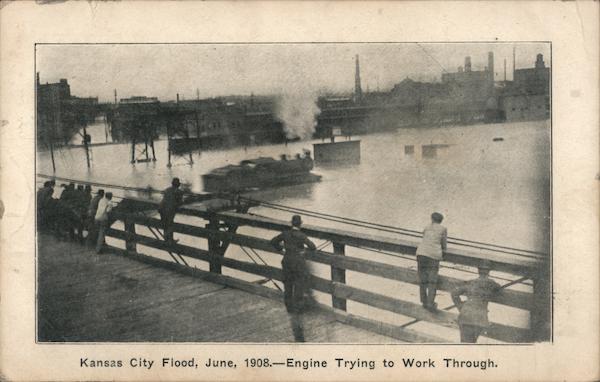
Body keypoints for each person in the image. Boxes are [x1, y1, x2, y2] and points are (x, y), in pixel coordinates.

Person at [270, 215, 316, 342]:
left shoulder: (285, 233)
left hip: (286, 262)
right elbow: (313, 247)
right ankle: (297, 309)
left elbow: (273, 241)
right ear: (300, 224)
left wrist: (281, 249)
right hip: (298, 264)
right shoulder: (301, 236)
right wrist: (303, 251)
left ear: (291, 223)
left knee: (288, 285)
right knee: (299, 285)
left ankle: (289, 308)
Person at [451, 260, 501, 343]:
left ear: (478, 271)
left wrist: (460, 307)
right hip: (480, 318)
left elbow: (454, 293)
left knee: (465, 343)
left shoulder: (471, 282)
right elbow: (499, 289)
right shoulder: (491, 283)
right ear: (488, 272)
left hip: (466, 315)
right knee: (472, 343)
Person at [416, 212, 447, 311]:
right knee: (432, 281)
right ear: (441, 220)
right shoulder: (443, 229)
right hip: (433, 256)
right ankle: (430, 303)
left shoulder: (426, 227)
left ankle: (424, 301)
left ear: (432, 219)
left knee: (423, 279)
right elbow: (444, 244)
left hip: (421, 254)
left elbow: (425, 238)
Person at [158, 178, 183, 243]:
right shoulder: (179, 191)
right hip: (169, 210)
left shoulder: (167, 189)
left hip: (162, 208)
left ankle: (166, 240)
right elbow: (180, 202)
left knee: (165, 224)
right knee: (170, 224)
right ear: (178, 185)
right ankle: (170, 240)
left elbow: (165, 199)